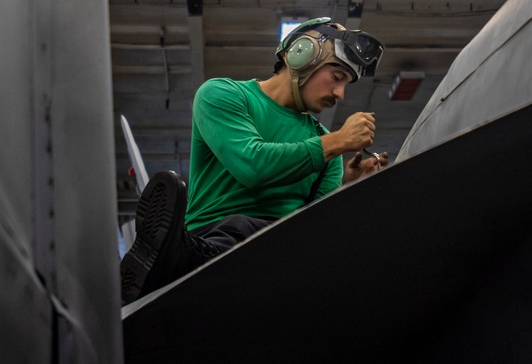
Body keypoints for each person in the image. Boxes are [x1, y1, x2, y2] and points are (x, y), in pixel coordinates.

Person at [120, 17, 388, 304]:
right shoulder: (223, 95)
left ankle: (165, 258)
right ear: (301, 54)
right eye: (337, 78)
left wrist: (349, 190)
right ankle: (178, 255)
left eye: (346, 84)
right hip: (213, 238)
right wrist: (337, 141)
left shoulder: (329, 150)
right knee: (243, 227)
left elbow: (316, 226)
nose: (340, 94)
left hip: (280, 256)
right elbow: (252, 166)